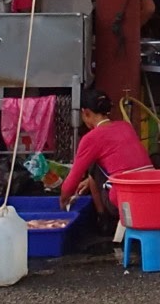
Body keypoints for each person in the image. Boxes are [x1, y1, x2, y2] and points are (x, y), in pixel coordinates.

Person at [60, 87, 152, 226]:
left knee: (92, 165)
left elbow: (72, 180)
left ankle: (103, 220)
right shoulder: (126, 126)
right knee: (99, 164)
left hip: (125, 200)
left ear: (86, 113)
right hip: (152, 192)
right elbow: (123, 162)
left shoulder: (91, 138)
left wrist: (63, 200)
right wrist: (88, 183)